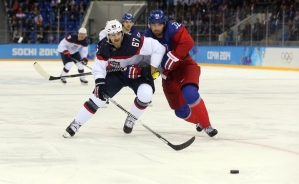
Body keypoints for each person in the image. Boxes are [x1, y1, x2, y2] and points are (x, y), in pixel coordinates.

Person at [63, 19, 165, 138]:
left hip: (138, 73)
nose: (116, 37)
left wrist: (149, 69)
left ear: (122, 32)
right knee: (98, 97)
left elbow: (159, 48)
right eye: (112, 35)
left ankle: (132, 118)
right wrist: (100, 82)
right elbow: (98, 68)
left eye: (118, 33)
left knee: (146, 95)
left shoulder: (133, 42)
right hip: (118, 74)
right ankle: (77, 123)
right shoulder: (104, 47)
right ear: (108, 35)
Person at [143, 10, 218, 138]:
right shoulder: (146, 38)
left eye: (159, 24)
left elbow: (188, 42)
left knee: (190, 93)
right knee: (180, 112)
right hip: (167, 76)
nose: (156, 28)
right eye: (153, 24)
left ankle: (207, 126)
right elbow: (142, 59)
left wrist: (174, 56)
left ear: (164, 23)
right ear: (149, 25)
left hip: (184, 65)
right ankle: (200, 120)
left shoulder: (173, 28)